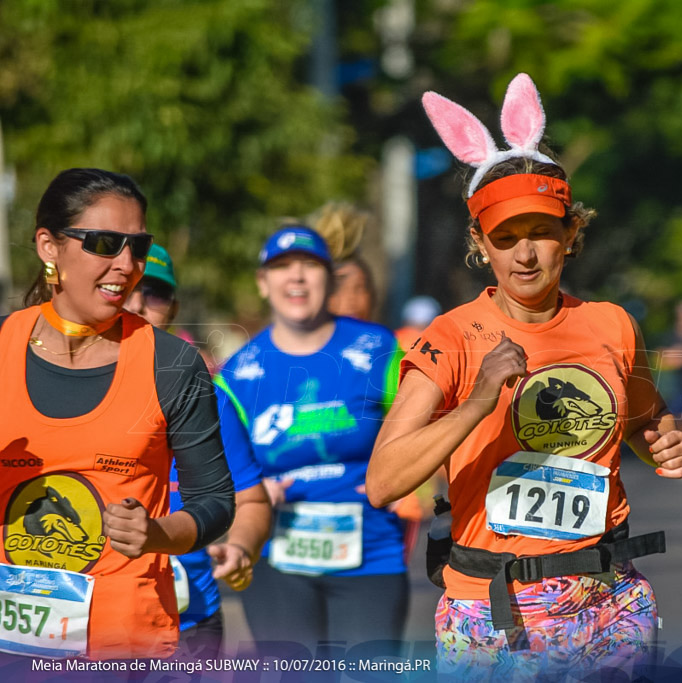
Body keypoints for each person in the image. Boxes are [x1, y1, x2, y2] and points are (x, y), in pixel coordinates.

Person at [366, 73, 682, 679]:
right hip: (494, 610)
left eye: (542, 232)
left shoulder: (613, 324)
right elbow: (383, 481)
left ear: (571, 234)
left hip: (608, 599)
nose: (525, 254)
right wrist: (476, 403)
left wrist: (664, 447)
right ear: (479, 243)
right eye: (506, 237)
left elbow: (647, 422)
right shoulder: (452, 337)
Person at [0, 168, 234, 660]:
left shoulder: (171, 362)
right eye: (105, 243)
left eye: (138, 246)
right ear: (49, 246)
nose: (127, 265)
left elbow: (214, 502)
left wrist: (157, 533)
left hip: (125, 647)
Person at [217, 225, 407, 658]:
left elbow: (421, 430)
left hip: (371, 554)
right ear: (263, 284)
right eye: (282, 267)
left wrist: (407, 481)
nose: (297, 277)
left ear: (329, 279)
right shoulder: (235, 374)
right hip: (277, 563)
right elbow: (221, 475)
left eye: (309, 266)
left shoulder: (377, 347)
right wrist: (249, 495)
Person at [125, 245, 272, 659]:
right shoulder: (47, 387)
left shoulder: (207, 398)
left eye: (155, 293)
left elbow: (252, 499)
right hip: (78, 620)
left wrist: (240, 548)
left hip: (189, 624)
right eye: (129, 288)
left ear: (172, 308)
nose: (138, 303)